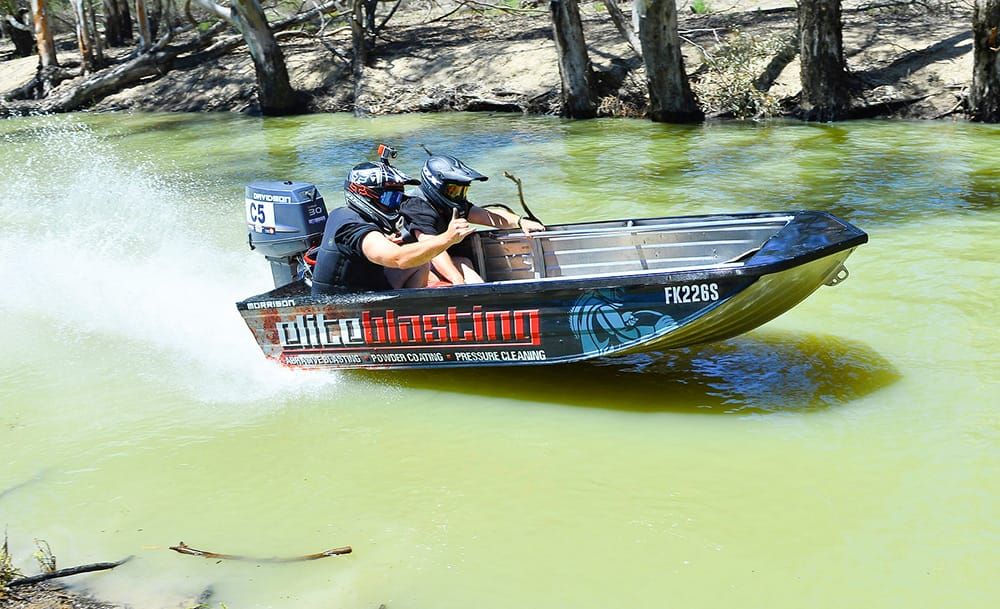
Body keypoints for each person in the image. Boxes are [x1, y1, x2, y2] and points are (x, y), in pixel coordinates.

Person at [311, 159, 476, 295]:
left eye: (399, 197)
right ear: (364, 192)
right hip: (344, 307)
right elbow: (399, 259)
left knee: (420, 262)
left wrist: (385, 239)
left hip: (365, 287)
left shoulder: (342, 213)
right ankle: (411, 313)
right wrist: (448, 238)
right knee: (411, 258)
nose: (396, 205)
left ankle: (414, 306)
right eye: (391, 198)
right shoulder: (351, 226)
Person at [401, 154, 545, 285]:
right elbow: (431, 248)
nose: (458, 195)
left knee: (464, 262)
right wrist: (458, 282)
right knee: (451, 271)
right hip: (405, 270)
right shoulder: (416, 206)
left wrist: (520, 221)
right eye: (454, 190)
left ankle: (483, 298)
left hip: (428, 262)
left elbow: (487, 215)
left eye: (462, 191)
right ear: (436, 185)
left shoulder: (450, 203)